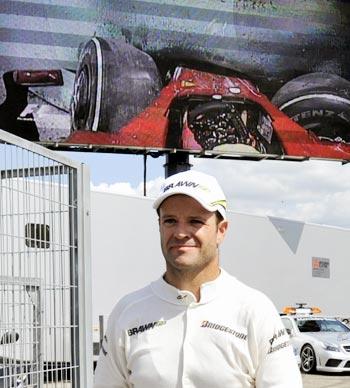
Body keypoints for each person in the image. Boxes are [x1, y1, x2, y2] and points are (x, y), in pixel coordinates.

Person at [94, 170, 302, 388]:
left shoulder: (255, 311)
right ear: (159, 227)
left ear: (221, 231)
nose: (181, 233)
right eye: (170, 221)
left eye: (195, 221)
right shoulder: (127, 311)